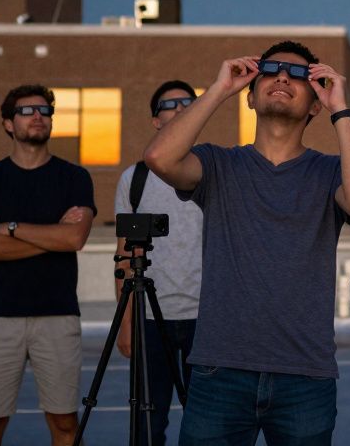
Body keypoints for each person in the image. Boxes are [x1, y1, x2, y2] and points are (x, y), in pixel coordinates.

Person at [144, 41, 350, 445]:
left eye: (299, 74)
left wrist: (340, 109)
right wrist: (219, 89)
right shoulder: (218, 164)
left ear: (315, 105)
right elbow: (159, 158)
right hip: (220, 370)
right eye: (271, 70)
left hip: (305, 375)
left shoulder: (330, 172)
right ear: (250, 97)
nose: (283, 77)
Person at [0, 85, 96, 446]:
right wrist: (52, 236)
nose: (38, 116)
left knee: (66, 425)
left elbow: (74, 239)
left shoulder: (75, 178)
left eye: (44, 111)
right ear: (8, 124)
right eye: (26, 111)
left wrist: (11, 228)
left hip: (57, 317)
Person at [112, 79, 203, 445]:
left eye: (188, 103)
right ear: (155, 120)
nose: (180, 109)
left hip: (206, 319)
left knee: (208, 428)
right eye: (170, 105)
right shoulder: (134, 179)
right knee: (147, 426)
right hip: (150, 319)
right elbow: (125, 253)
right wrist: (126, 323)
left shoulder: (213, 171)